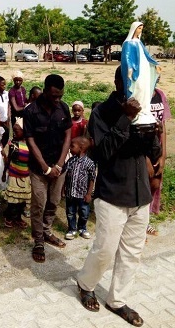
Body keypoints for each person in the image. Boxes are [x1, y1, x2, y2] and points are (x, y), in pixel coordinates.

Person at [76, 66, 161, 326]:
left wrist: (153, 133)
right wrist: (126, 118)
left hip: (140, 195)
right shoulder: (102, 111)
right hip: (112, 193)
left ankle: (117, 300)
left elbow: (153, 154)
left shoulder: (143, 109)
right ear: (118, 82)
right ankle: (86, 283)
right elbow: (103, 152)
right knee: (106, 248)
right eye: (130, 81)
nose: (135, 85)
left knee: (132, 253)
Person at [23, 74, 72, 263]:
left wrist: (59, 164)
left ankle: (47, 231)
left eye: (60, 95)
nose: (57, 99)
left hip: (60, 166)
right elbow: (30, 140)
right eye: (54, 96)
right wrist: (45, 167)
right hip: (38, 168)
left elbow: (68, 135)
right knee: (39, 203)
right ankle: (38, 241)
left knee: (53, 201)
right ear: (45, 91)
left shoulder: (63, 108)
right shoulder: (31, 111)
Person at [121, 21, 160, 126]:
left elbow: (147, 56)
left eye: (141, 29)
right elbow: (127, 58)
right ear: (134, 29)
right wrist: (129, 68)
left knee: (145, 89)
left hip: (144, 71)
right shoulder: (128, 43)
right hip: (135, 72)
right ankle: (137, 112)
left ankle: (145, 110)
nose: (140, 31)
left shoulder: (139, 42)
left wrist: (155, 64)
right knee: (138, 89)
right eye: (139, 28)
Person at [146, 79, 171, 234]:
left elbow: (164, 126)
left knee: (154, 185)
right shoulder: (139, 95)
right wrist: (145, 158)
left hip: (156, 149)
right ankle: (138, 226)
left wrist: (163, 155)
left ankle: (145, 220)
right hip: (142, 150)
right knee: (141, 186)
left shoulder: (160, 94)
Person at [63, 136, 95, 240]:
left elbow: (92, 179)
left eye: (72, 146)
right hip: (70, 193)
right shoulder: (70, 161)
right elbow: (65, 175)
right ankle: (72, 229)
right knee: (70, 212)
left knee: (84, 212)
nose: (70, 148)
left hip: (83, 194)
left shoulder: (89, 163)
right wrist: (63, 189)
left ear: (81, 148)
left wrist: (89, 193)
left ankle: (82, 228)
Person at [2, 118, 30, 229]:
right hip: (14, 175)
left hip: (26, 176)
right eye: (13, 131)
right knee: (13, 200)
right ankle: (9, 217)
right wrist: (4, 172)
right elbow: (8, 159)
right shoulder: (13, 144)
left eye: (17, 131)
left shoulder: (30, 145)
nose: (14, 133)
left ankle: (18, 218)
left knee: (22, 201)